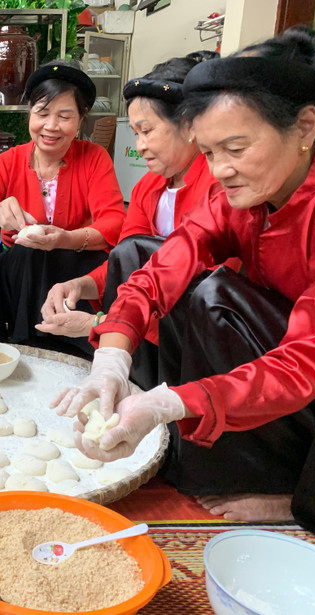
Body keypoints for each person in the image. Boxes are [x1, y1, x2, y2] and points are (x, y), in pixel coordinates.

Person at [54, 26, 315, 540]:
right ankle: (195, 448)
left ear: (304, 126)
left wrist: (174, 402)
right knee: (144, 253)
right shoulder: (243, 195)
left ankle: (294, 493)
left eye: (235, 147)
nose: (221, 170)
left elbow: (308, 358)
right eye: (208, 153)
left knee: (217, 297)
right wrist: (111, 361)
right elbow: (161, 269)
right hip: (280, 345)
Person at [38, 52, 227, 389]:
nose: (139, 146)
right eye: (136, 133)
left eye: (147, 131)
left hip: (199, 338)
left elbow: (208, 289)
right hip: (142, 320)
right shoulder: (147, 188)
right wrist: (80, 285)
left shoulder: (222, 189)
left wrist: (101, 322)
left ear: (189, 125)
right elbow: (123, 264)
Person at [0, 60, 126, 351]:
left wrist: (67, 238)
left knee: (76, 260)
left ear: (81, 118)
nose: (51, 126)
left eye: (65, 116)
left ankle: (76, 344)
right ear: (29, 113)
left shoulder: (94, 158)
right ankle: (28, 340)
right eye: (42, 113)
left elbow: (114, 223)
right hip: (20, 276)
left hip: (76, 268)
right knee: (27, 252)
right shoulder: (7, 163)